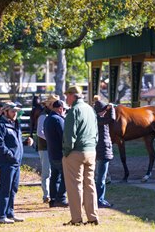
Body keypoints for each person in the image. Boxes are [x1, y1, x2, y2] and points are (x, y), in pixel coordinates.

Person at [62, 85, 99, 226]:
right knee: (90, 184)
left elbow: (69, 135)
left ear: (72, 96)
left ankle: (76, 219)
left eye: (67, 95)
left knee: (74, 186)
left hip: (76, 152)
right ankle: (93, 217)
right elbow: (96, 133)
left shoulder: (73, 111)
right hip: (91, 151)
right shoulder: (90, 109)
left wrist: (66, 152)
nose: (66, 98)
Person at [0, 102, 33, 224]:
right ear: (5, 112)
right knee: (5, 189)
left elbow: (15, 141)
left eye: (16, 111)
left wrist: (25, 142)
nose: (15, 113)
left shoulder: (15, 123)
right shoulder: (0, 125)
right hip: (7, 162)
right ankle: (1, 216)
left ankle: (10, 214)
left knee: (13, 189)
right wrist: (10, 155)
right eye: (12, 111)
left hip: (16, 162)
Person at [43, 99, 68, 208]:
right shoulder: (58, 120)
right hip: (59, 153)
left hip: (51, 153)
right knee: (66, 176)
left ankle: (52, 199)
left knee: (54, 176)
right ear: (60, 109)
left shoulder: (47, 119)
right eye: (64, 109)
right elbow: (64, 137)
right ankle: (61, 198)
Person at [93, 100, 115, 208]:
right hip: (103, 151)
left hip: (99, 151)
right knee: (101, 178)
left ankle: (98, 199)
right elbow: (112, 119)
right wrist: (112, 109)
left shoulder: (96, 119)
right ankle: (99, 200)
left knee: (99, 177)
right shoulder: (99, 120)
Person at [36, 96, 54, 204]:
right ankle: (46, 194)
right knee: (47, 172)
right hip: (44, 147)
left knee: (51, 171)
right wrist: (51, 139)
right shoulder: (43, 116)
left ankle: (49, 193)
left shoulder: (49, 115)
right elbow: (39, 132)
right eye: (52, 103)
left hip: (49, 147)